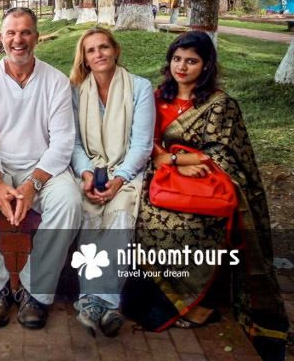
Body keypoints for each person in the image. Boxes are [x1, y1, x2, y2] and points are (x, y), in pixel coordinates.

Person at [122, 31, 288, 361]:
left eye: (192, 61)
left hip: (203, 183)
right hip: (164, 177)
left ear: (206, 65)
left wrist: (175, 160)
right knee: (143, 213)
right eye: (177, 59)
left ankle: (197, 307)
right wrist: (169, 160)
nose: (182, 67)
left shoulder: (219, 104)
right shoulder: (158, 96)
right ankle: (156, 304)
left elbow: (224, 153)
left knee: (194, 221)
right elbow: (145, 138)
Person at [0, 7, 82, 329]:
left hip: (42, 169)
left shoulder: (55, 80)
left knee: (69, 203)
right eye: (11, 32)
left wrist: (32, 185)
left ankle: (33, 290)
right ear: (1, 38)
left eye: (25, 32)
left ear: (36, 38)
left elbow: (64, 140)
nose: (18, 39)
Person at [68, 28, 155, 338]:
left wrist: (119, 180)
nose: (98, 54)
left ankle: (98, 303)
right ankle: (98, 304)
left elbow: (142, 145)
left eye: (104, 47)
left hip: (127, 172)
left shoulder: (139, 88)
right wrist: (87, 174)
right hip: (91, 169)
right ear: (85, 59)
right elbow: (75, 143)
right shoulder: (77, 91)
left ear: (116, 50)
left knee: (119, 215)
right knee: (87, 211)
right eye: (91, 51)